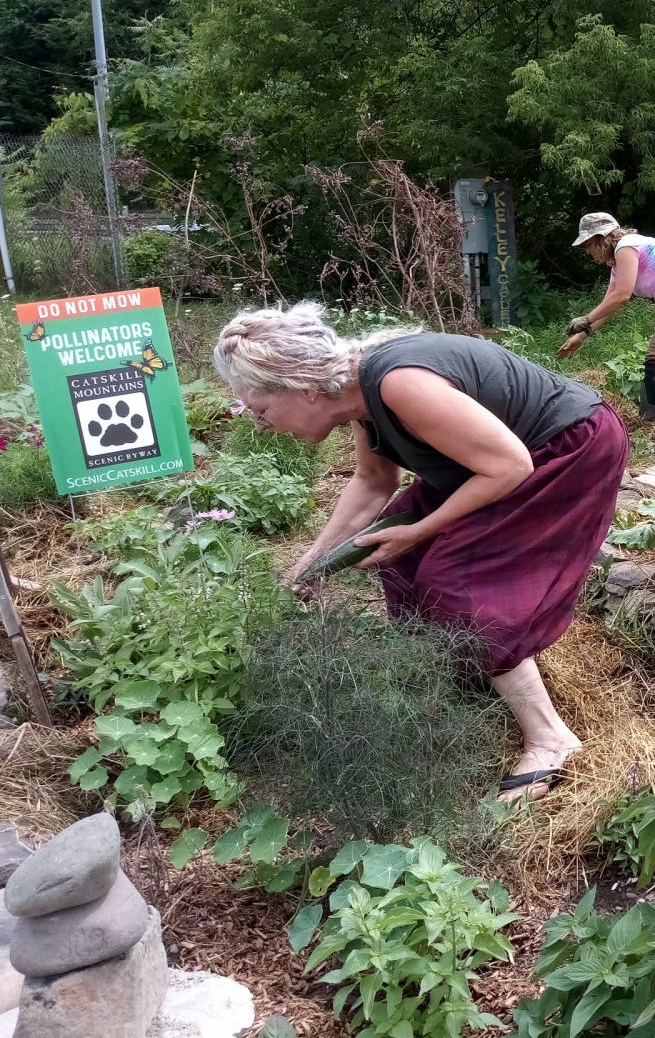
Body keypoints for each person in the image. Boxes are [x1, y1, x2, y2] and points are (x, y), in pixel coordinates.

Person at [213, 303, 628, 803]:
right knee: (405, 564)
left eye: (260, 409)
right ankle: (474, 668)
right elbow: (373, 482)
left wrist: (421, 530)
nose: (260, 424)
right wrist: (314, 561)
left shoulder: (398, 383)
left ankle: (551, 738)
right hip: (494, 460)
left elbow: (509, 466)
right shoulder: (356, 397)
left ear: (303, 388)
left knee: (456, 583)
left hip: (564, 448)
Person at [556, 213, 655, 419]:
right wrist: (582, 335)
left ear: (601, 237)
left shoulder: (626, 247)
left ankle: (646, 421)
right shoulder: (621, 259)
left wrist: (586, 319)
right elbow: (611, 304)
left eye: (588, 244)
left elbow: (622, 296)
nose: (588, 251)